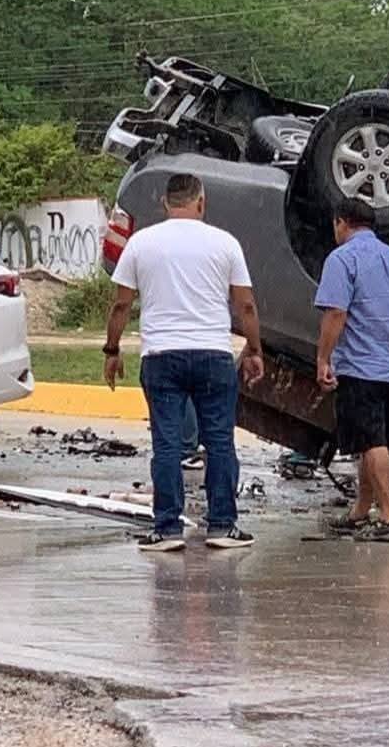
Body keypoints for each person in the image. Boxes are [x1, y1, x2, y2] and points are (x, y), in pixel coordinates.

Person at [104, 173, 264, 552]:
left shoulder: (142, 243)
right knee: (220, 443)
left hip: (161, 357)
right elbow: (245, 305)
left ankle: (167, 529)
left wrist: (112, 350)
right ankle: (222, 527)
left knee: (167, 446)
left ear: (165, 204)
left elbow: (121, 304)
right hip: (213, 355)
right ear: (201, 202)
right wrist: (255, 349)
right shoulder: (225, 243)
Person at [314, 199, 389, 543]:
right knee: (373, 442)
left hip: (362, 366)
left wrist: (323, 359)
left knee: (372, 442)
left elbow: (335, 314)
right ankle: (361, 509)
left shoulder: (342, 259)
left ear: (341, 222)